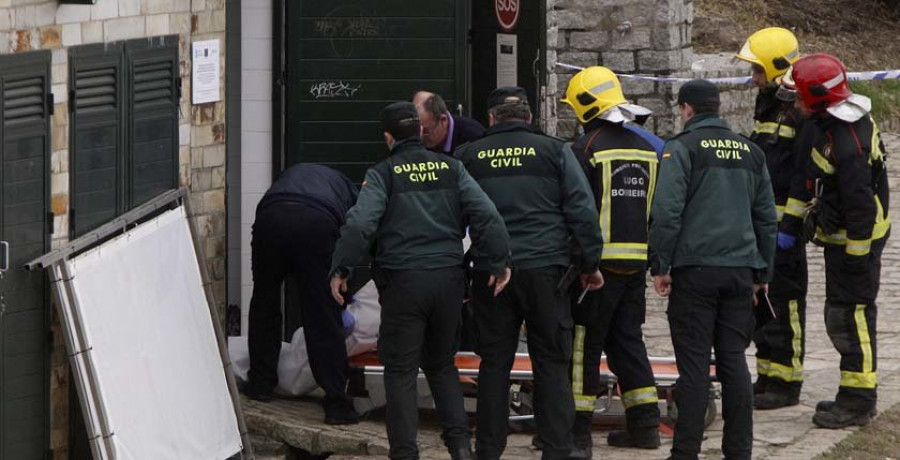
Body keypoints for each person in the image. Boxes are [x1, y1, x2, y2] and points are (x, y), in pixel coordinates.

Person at [329, 101, 512, 460]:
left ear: (388, 137)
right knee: (442, 366)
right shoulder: (452, 168)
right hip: (448, 282)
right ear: (421, 131)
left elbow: (360, 224)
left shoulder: (383, 173)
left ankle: (405, 453)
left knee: (400, 372)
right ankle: (460, 447)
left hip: (404, 284)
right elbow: (487, 215)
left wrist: (341, 268)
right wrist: (499, 260)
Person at [455, 87, 605, 460]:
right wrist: (589, 264)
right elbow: (582, 211)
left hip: (493, 272)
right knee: (552, 362)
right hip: (547, 271)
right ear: (529, 117)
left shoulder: (468, 156)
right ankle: (557, 449)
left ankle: (488, 450)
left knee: (494, 364)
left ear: (490, 118)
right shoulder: (556, 151)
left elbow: (453, 218)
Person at [650, 79, 777, 460]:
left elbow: (667, 212)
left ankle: (685, 451)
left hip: (695, 271)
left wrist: (661, 265)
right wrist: (763, 275)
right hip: (740, 271)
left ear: (687, 109)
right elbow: (766, 218)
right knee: (734, 362)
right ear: (717, 108)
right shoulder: (750, 152)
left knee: (694, 366)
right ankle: (738, 450)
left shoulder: (682, 148)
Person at [782, 54, 890, 429]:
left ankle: (860, 401)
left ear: (817, 99)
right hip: (842, 241)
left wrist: (857, 256)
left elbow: (860, 205)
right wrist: (790, 225)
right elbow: (809, 179)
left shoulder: (846, 142)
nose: (794, 104)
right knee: (839, 316)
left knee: (852, 316)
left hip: (855, 244)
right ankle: (851, 393)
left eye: (798, 98)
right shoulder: (829, 125)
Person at [560, 66, 662, 452]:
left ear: (586, 107)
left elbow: (577, 213)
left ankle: (577, 434)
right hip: (635, 265)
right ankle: (646, 425)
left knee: (584, 346)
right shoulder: (648, 148)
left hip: (596, 270)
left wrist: (584, 264)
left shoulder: (585, 150)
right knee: (628, 342)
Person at [245, 163, 360, 425]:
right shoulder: (351, 194)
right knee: (321, 312)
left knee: (265, 302)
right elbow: (354, 236)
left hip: (270, 218)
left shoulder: (296, 174)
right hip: (316, 223)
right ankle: (335, 402)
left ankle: (260, 384)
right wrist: (345, 279)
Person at [735, 27, 810, 409]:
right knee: (763, 302)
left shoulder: (799, 108)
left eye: (758, 71)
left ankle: (787, 382)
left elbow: (803, 172)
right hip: (764, 226)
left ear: (777, 67)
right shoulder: (769, 103)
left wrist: (793, 226)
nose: (753, 78)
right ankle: (767, 375)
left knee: (787, 304)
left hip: (785, 230)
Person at [413, 91, 486, 154]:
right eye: (417, 131)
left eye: (426, 131)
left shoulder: (473, 136)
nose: (420, 136)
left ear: (443, 120)